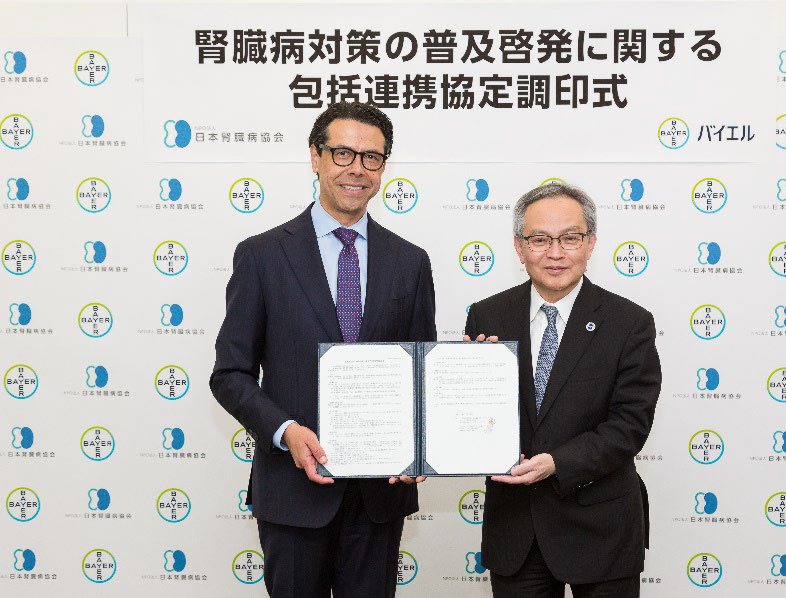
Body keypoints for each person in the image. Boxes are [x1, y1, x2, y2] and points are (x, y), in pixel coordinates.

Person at [210, 102, 435, 598]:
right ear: (315, 156)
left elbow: (423, 373)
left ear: (383, 167)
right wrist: (286, 432)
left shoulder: (410, 261)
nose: (357, 168)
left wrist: (421, 445)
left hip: (380, 495)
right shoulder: (262, 255)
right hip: (293, 492)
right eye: (342, 153)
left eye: (372, 157)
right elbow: (230, 375)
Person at [464, 182, 661, 598]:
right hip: (516, 529)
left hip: (600, 527)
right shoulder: (487, 315)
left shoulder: (629, 323)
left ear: (590, 243)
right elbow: (474, 418)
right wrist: (467, 383)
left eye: (570, 238)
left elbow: (630, 425)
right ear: (519, 247)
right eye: (539, 239)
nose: (555, 253)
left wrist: (557, 463)